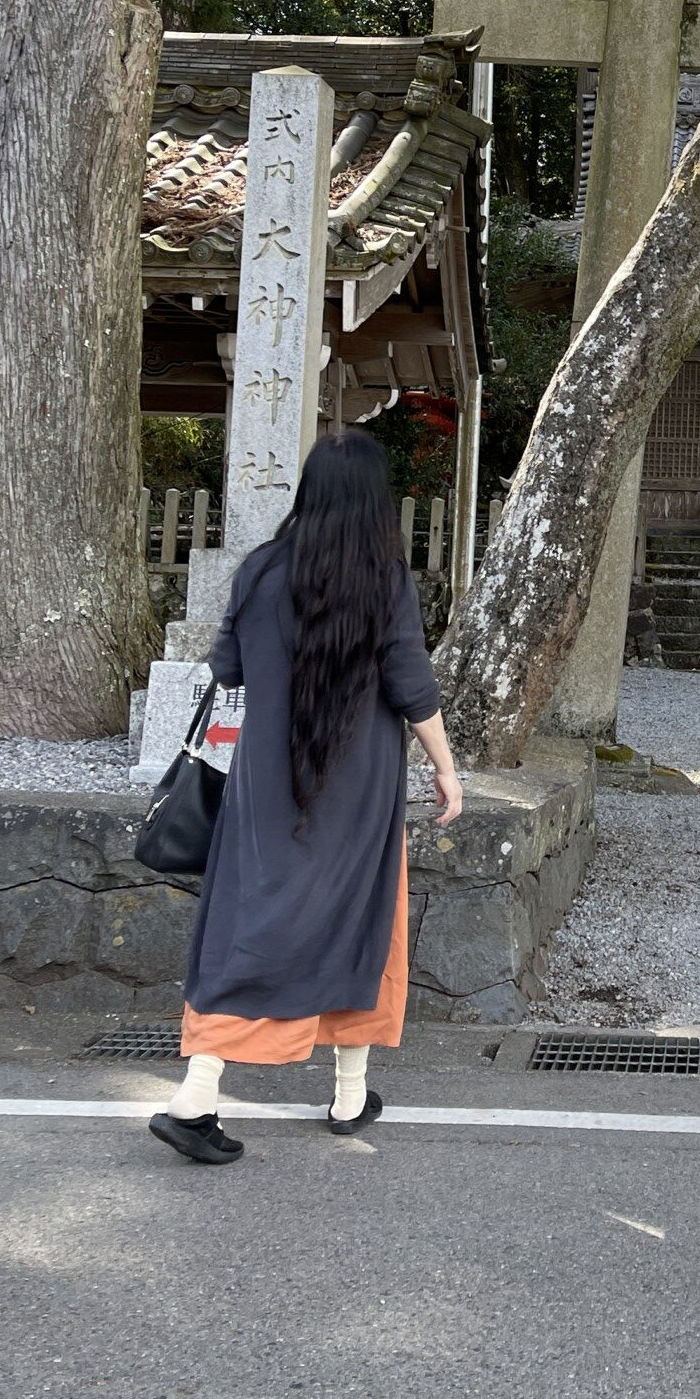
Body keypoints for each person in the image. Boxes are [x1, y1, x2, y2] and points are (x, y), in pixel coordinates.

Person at [149, 430, 464, 1165]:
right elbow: (412, 687)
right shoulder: (386, 579)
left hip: (266, 783)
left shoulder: (259, 572)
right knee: (364, 920)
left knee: (249, 919)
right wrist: (446, 770)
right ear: (374, 499)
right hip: (360, 790)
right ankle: (350, 1095)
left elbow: (226, 671)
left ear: (309, 491)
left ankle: (197, 1093)